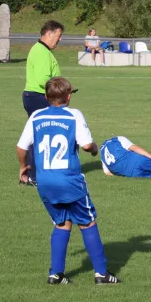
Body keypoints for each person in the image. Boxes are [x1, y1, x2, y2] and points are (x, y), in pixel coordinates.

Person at [16, 77, 121, 285]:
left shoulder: (36, 116)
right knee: (87, 222)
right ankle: (101, 274)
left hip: (45, 182)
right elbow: (86, 144)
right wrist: (94, 150)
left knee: (62, 222)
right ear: (69, 96)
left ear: (46, 97)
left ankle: (56, 274)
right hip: (69, 181)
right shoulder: (74, 115)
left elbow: (21, 147)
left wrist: (23, 167)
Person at [22, 20, 65, 186]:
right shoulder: (41, 51)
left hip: (36, 96)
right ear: (49, 33)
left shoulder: (42, 50)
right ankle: (35, 175)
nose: (59, 40)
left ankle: (33, 174)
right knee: (41, 136)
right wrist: (61, 88)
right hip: (38, 97)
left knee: (39, 136)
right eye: (59, 36)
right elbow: (42, 80)